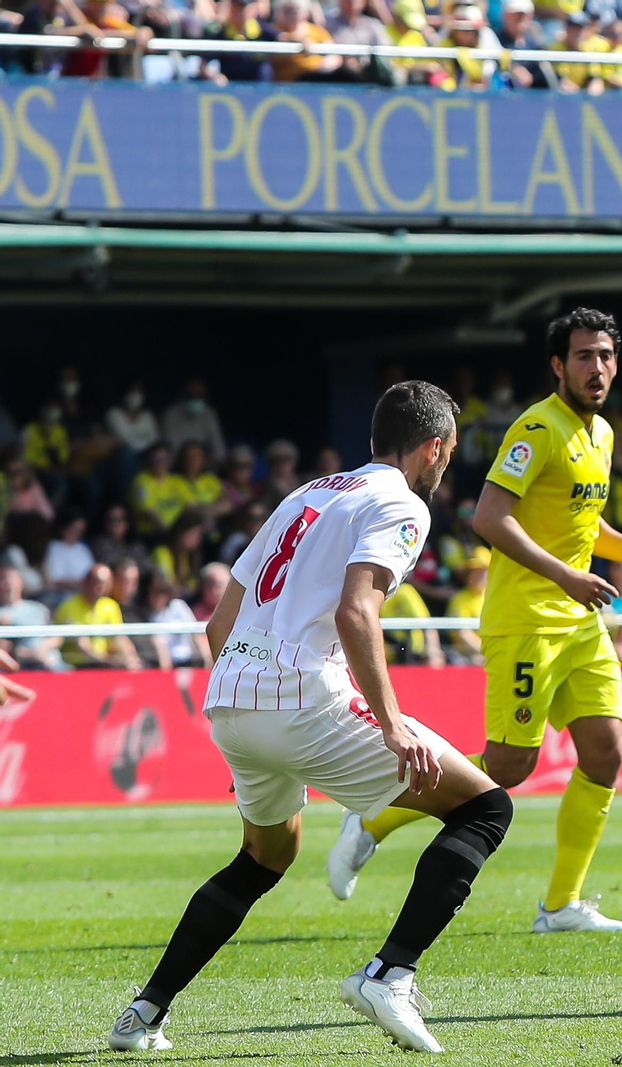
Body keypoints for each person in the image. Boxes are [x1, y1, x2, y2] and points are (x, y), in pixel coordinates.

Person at [108, 381, 512, 1055]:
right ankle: (391, 972)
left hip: (233, 695)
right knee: (485, 810)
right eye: (449, 451)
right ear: (433, 447)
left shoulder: (309, 492)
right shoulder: (401, 502)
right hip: (301, 693)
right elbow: (358, 611)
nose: (446, 465)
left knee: (266, 855)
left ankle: (144, 1011)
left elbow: (218, 622)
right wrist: (391, 721)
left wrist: (246, 710)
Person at [332, 309, 622, 938]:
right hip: (525, 621)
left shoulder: (600, 434)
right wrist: (567, 576)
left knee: (606, 752)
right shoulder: (537, 428)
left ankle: (561, 905)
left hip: (579, 623)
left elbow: (583, 526)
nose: (595, 367)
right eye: (582, 356)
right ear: (557, 365)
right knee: (510, 767)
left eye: (604, 355)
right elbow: (490, 519)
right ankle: (376, 817)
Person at [55, 563, 140, 670]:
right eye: (96, 582)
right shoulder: (69, 607)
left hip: (104, 665)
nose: (99, 587)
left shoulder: (110, 606)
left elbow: (119, 638)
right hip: (77, 667)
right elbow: (81, 645)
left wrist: (131, 658)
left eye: (104, 583)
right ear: (85, 582)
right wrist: (111, 662)